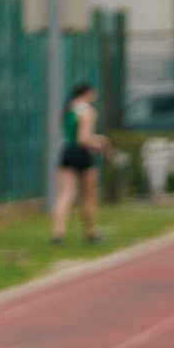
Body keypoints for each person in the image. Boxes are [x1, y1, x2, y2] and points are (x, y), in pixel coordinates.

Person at [52, 81, 109, 245]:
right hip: (83, 154)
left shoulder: (70, 108)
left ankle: (58, 232)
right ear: (87, 93)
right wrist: (101, 141)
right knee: (89, 196)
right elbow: (83, 138)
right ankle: (90, 232)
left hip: (68, 151)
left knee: (65, 194)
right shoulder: (88, 111)